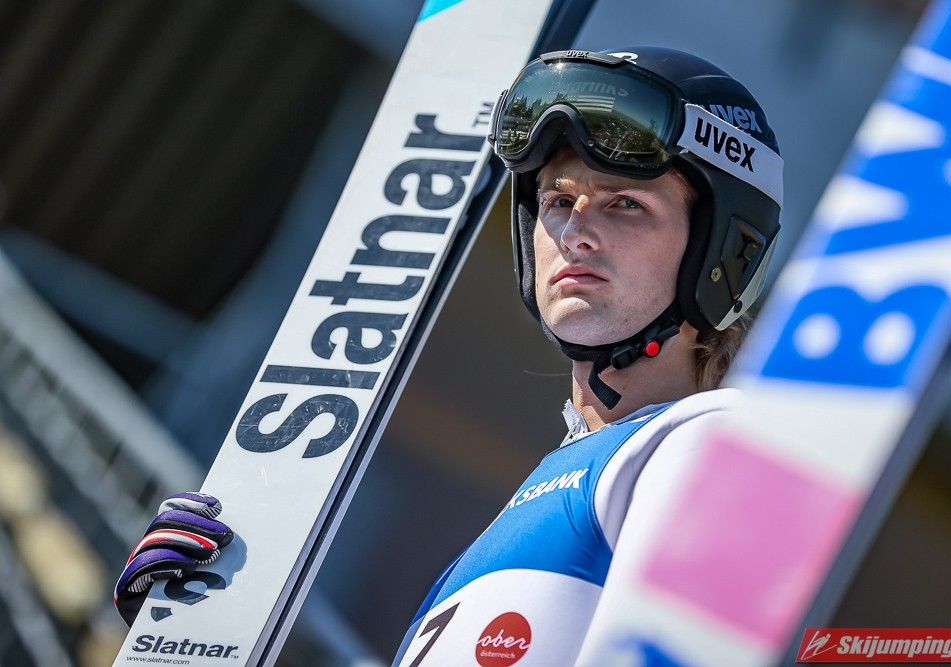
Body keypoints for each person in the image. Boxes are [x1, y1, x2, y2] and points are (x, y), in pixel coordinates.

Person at [114, 46, 783, 666]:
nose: (576, 232)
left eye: (625, 204)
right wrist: (205, 634)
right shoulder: (568, 476)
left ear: (723, 250)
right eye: (558, 200)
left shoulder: (701, 440)